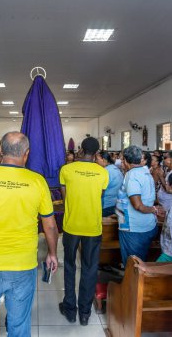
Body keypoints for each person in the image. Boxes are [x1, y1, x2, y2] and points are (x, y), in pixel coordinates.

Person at [0, 132, 58, 337]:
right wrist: (52, 253)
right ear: (27, 154)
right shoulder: (37, 181)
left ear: (0, 150)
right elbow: (49, 226)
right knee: (19, 323)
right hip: (22, 263)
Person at [59, 137, 109, 326]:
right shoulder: (102, 172)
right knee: (90, 268)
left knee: (70, 266)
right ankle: (85, 313)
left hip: (72, 225)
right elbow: (100, 194)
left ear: (80, 150)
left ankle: (70, 309)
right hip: (92, 226)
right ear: (97, 153)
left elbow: (65, 197)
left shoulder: (66, 169)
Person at [116, 145, 165, 267]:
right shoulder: (145, 171)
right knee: (140, 260)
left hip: (134, 227)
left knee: (133, 264)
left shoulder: (132, 175)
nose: (121, 162)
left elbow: (138, 205)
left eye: (122, 160)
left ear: (127, 161)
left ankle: (132, 286)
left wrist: (154, 209)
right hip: (146, 224)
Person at [96, 151, 124, 217]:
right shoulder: (115, 169)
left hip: (106, 205)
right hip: (114, 203)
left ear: (104, 160)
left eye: (97, 159)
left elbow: (100, 190)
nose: (96, 161)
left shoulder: (106, 171)